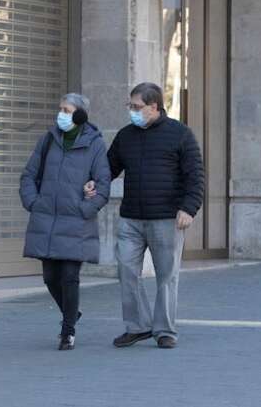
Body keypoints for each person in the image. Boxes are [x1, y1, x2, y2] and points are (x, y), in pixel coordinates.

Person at [90, 82, 204, 350]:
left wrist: (189, 208)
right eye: (130, 106)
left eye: (136, 107)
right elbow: (109, 167)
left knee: (167, 276)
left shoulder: (180, 134)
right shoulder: (126, 136)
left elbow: (195, 175)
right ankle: (138, 326)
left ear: (154, 107)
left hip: (166, 218)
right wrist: (93, 181)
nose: (132, 111)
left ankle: (164, 330)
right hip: (131, 217)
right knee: (126, 270)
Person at [19, 93, 112, 350]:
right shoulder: (48, 140)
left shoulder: (94, 144)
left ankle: (67, 330)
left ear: (80, 114)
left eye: (67, 110)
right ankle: (72, 312)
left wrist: (85, 208)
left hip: (76, 222)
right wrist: (33, 202)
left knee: (70, 276)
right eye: (60, 108)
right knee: (50, 277)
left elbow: (103, 185)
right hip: (47, 219)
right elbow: (29, 175)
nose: (61, 113)